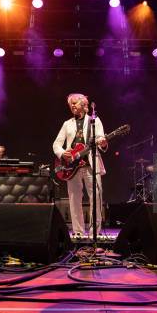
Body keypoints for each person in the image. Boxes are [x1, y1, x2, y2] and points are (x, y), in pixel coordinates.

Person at [53, 93, 108, 236]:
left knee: (96, 197)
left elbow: (101, 138)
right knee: (74, 199)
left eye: (75, 103)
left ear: (84, 105)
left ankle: (94, 233)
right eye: (70, 104)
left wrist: (103, 142)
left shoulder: (94, 120)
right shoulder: (67, 124)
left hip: (91, 164)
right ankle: (78, 232)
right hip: (72, 166)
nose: (72, 106)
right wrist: (62, 153)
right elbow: (56, 144)